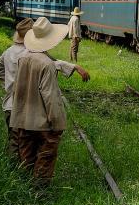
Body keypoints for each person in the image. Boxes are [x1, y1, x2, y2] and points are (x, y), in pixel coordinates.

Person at [10, 17, 89, 187]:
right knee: (45, 159)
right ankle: (40, 193)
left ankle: (24, 193)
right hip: (43, 123)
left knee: (27, 159)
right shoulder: (46, 64)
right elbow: (50, 97)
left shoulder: (22, 59)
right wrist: (57, 122)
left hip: (23, 121)